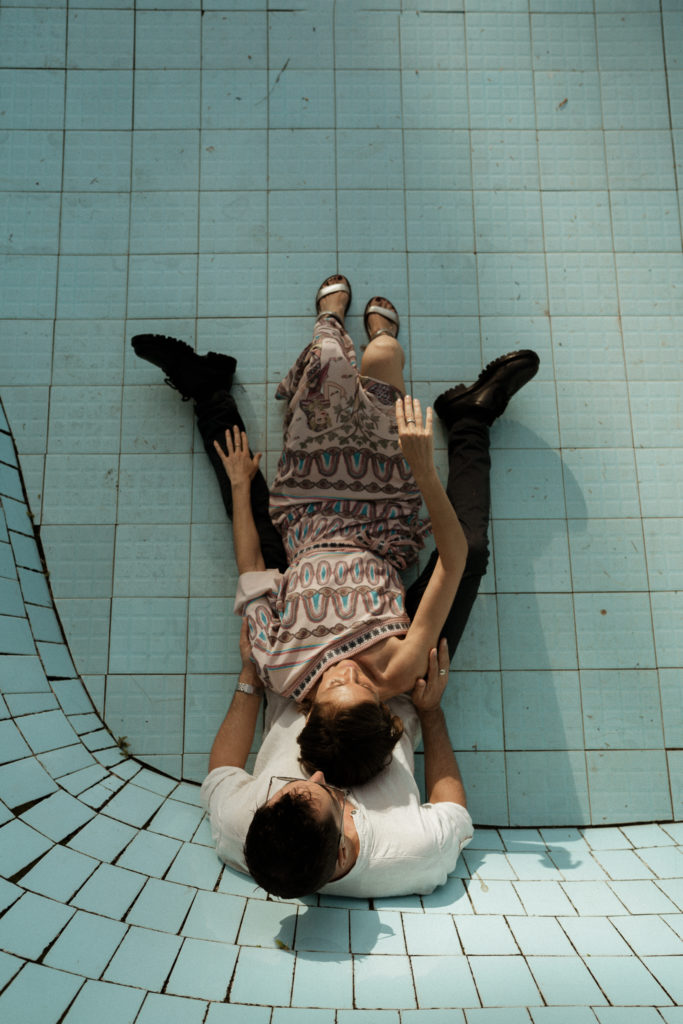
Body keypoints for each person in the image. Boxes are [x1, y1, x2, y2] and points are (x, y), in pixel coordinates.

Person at [132, 275, 539, 789]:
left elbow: (253, 570)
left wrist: (241, 487)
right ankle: (469, 418)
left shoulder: (282, 668)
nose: (347, 672)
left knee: (322, 367)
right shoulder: (394, 671)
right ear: (384, 709)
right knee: (384, 357)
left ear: (303, 710)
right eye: (361, 688)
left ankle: (219, 384)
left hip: (310, 518)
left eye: (335, 687)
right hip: (380, 522)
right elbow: (456, 560)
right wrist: (424, 468)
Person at [202, 620, 473, 898]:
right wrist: (431, 711)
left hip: (304, 653)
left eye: (284, 787)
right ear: (342, 852)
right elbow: (453, 808)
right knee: (458, 576)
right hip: (401, 671)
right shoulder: (413, 853)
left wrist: (251, 675)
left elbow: (222, 772)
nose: (317, 776)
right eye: (330, 796)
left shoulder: (237, 828)